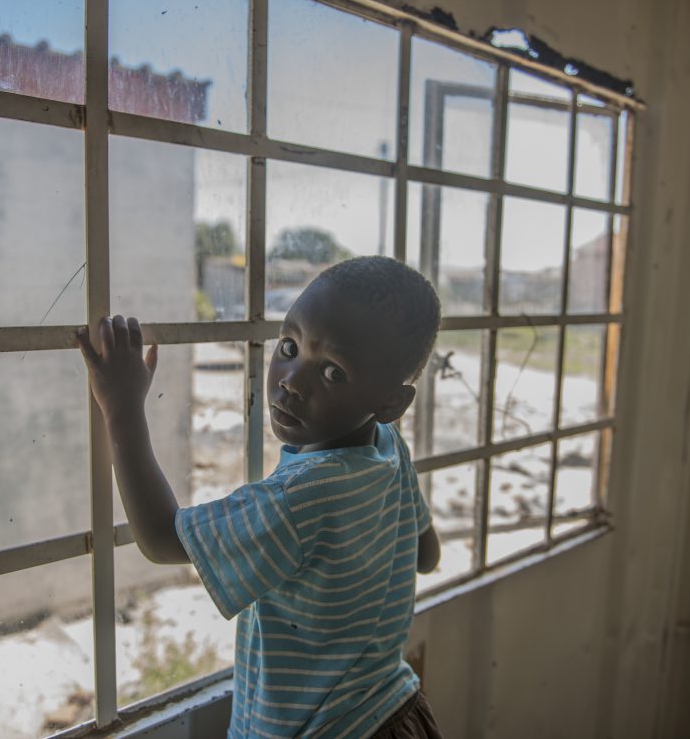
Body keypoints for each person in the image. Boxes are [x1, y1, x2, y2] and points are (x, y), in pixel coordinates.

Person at [77, 255, 444, 738]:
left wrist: (122, 409)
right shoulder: (388, 446)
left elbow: (163, 539)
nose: (292, 380)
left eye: (333, 373)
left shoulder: (301, 496)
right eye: (289, 346)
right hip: (398, 712)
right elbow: (427, 553)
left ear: (392, 402)